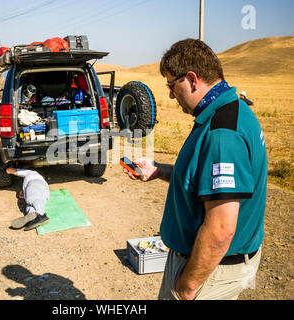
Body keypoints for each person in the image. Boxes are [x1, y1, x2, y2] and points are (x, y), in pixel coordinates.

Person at [123, 39, 267, 300]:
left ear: (191, 79)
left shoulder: (222, 133)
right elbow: (204, 179)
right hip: (216, 267)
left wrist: (187, 286)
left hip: (210, 272)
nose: (169, 94)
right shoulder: (229, 110)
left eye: (171, 84)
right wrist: (158, 170)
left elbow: (221, 227)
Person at [6, 167, 50, 231]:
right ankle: (33, 216)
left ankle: (40, 215)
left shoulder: (31, 172)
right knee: (30, 205)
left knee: (32, 199)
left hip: (35, 183)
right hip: (45, 192)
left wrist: (6, 169)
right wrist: (24, 192)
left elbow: (10, 170)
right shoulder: (43, 182)